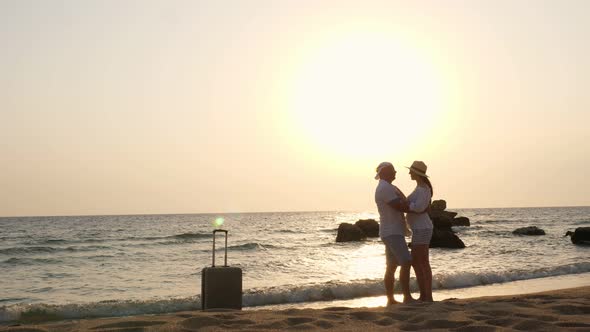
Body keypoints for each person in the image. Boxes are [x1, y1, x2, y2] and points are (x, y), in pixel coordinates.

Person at [374, 162, 415, 305]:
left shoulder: (389, 187)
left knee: (391, 266)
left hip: (392, 231)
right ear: (385, 172)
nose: (395, 172)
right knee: (406, 261)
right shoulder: (385, 188)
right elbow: (400, 206)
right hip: (392, 232)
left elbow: (403, 201)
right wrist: (418, 208)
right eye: (392, 170)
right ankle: (407, 297)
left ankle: (391, 299)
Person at [403, 160, 434, 302]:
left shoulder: (423, 189)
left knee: (420, 262)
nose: (409, 173)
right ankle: (425, 295)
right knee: (419, 262)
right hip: (420, 228)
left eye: (411, 171)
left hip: (422, 228)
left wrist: (406, 205)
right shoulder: (421, 188)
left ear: (417, 173)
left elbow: (419, 207)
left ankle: (426, 296)